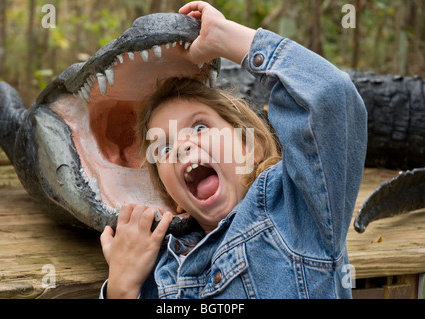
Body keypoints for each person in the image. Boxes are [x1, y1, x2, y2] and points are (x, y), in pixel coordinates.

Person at [100, 1, 367, 299]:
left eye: (199, 127)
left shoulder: (298, 210)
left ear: (253, 148)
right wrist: (121, 289)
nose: (182, 146)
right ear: (173, 201)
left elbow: (332, 97)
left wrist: (226, 38)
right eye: (163, 147)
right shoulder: (161, 271)